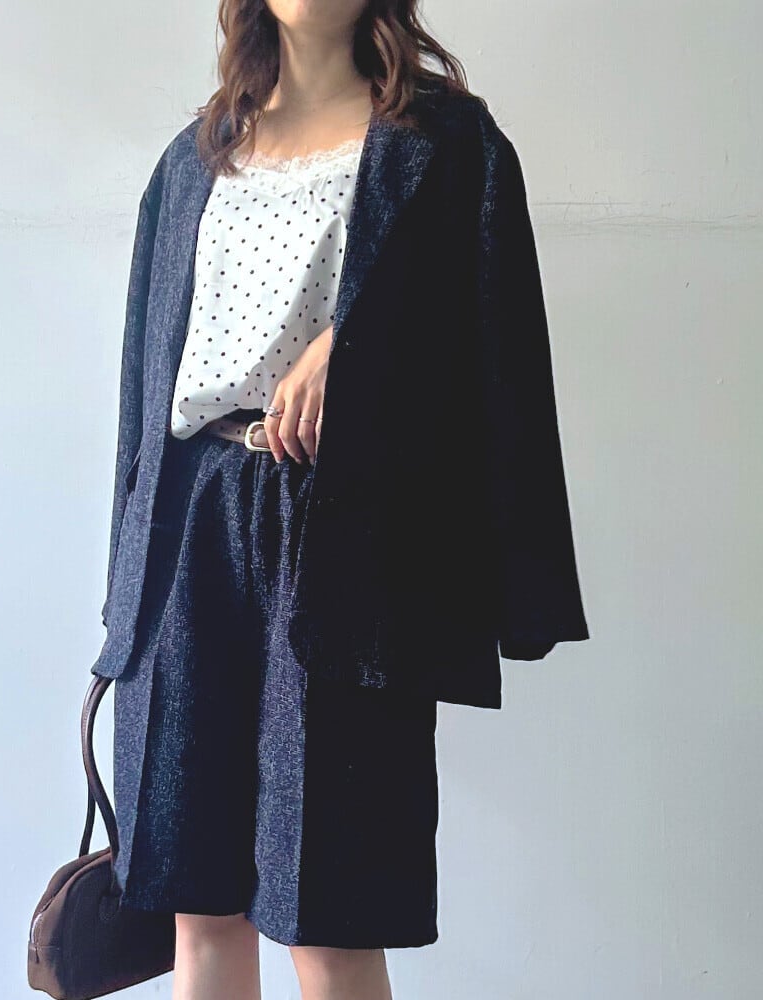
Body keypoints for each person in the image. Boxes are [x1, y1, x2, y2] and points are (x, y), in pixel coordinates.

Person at [93, 2, 590, 998]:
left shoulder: (445, 143)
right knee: (199, 906)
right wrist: (125, 592)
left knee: (331, 910)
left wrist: (348, 349)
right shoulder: (196, 156)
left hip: (349, 537)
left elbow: (493, 341)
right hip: (191, 522)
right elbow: (143, 385)